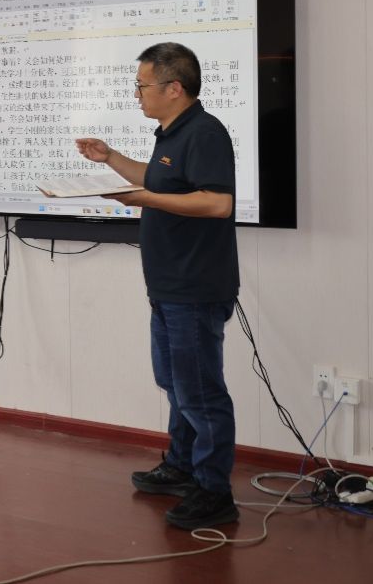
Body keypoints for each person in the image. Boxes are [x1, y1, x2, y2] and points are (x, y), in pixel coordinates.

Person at [75, 42, 239, 530]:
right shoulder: (171, 134)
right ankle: (183, 467)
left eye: (142, 85)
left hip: (196, 287)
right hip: (168, 285)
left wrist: (142, 198)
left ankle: (214, 492)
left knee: (201, 393)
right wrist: (110, 158)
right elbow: (158, 182)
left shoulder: (205, 132)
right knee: (175, 384)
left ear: (174, 88)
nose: (136, 94)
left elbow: (217, 203)